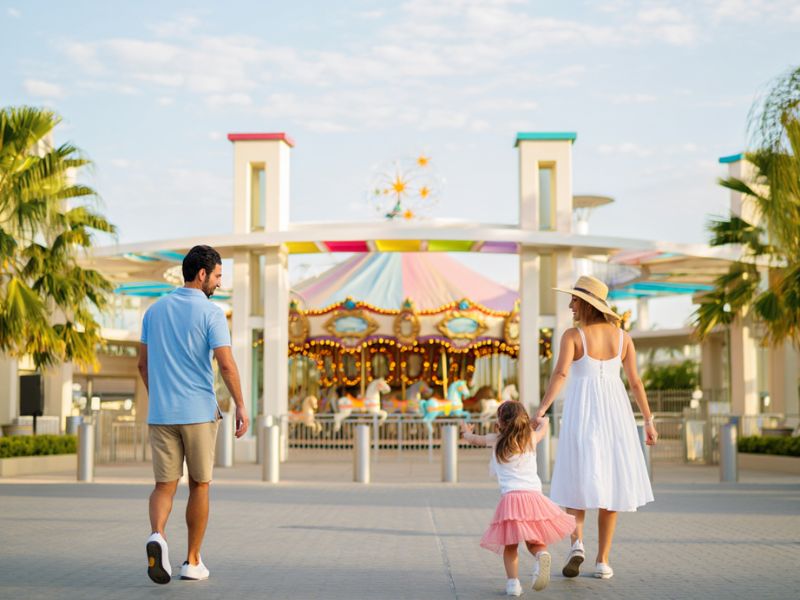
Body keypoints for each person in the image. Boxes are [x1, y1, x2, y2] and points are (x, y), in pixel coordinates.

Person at [137, 245, 249, 585]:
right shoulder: (211, 312)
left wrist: (160, 397)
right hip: (199, 412)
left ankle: (157, 535)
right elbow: (226, 365)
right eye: (217, 276)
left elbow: (142, 364)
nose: (217, 283)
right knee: (200, 484)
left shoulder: (153, 312)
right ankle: (192, 561)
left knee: (164, 485)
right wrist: (241, 405)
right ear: (202, 274)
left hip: (162, 412)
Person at [533, 275, 657, 581]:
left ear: (586, 303)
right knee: (611, 484)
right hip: (616, 415)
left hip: (583, 413)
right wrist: (649, 420)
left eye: (574, 299)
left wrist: (541, 410)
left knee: (576, 476)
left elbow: (561, 374)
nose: (570, 304)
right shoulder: (623, 338)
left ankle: (577, 544)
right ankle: (603, 561)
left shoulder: (573, 336)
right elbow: (636, 382)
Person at [461, 401, 575, 595]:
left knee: (511, 545)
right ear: (522, 419)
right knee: (534, 541)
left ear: (500, 422)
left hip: (512, 500)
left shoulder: (496, 440)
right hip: (534, 498)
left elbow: (475, 440)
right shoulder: (530, 438)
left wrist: (465, 432)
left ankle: (513, 584)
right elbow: (543, 429)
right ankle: (542, 555)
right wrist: (543, 420)